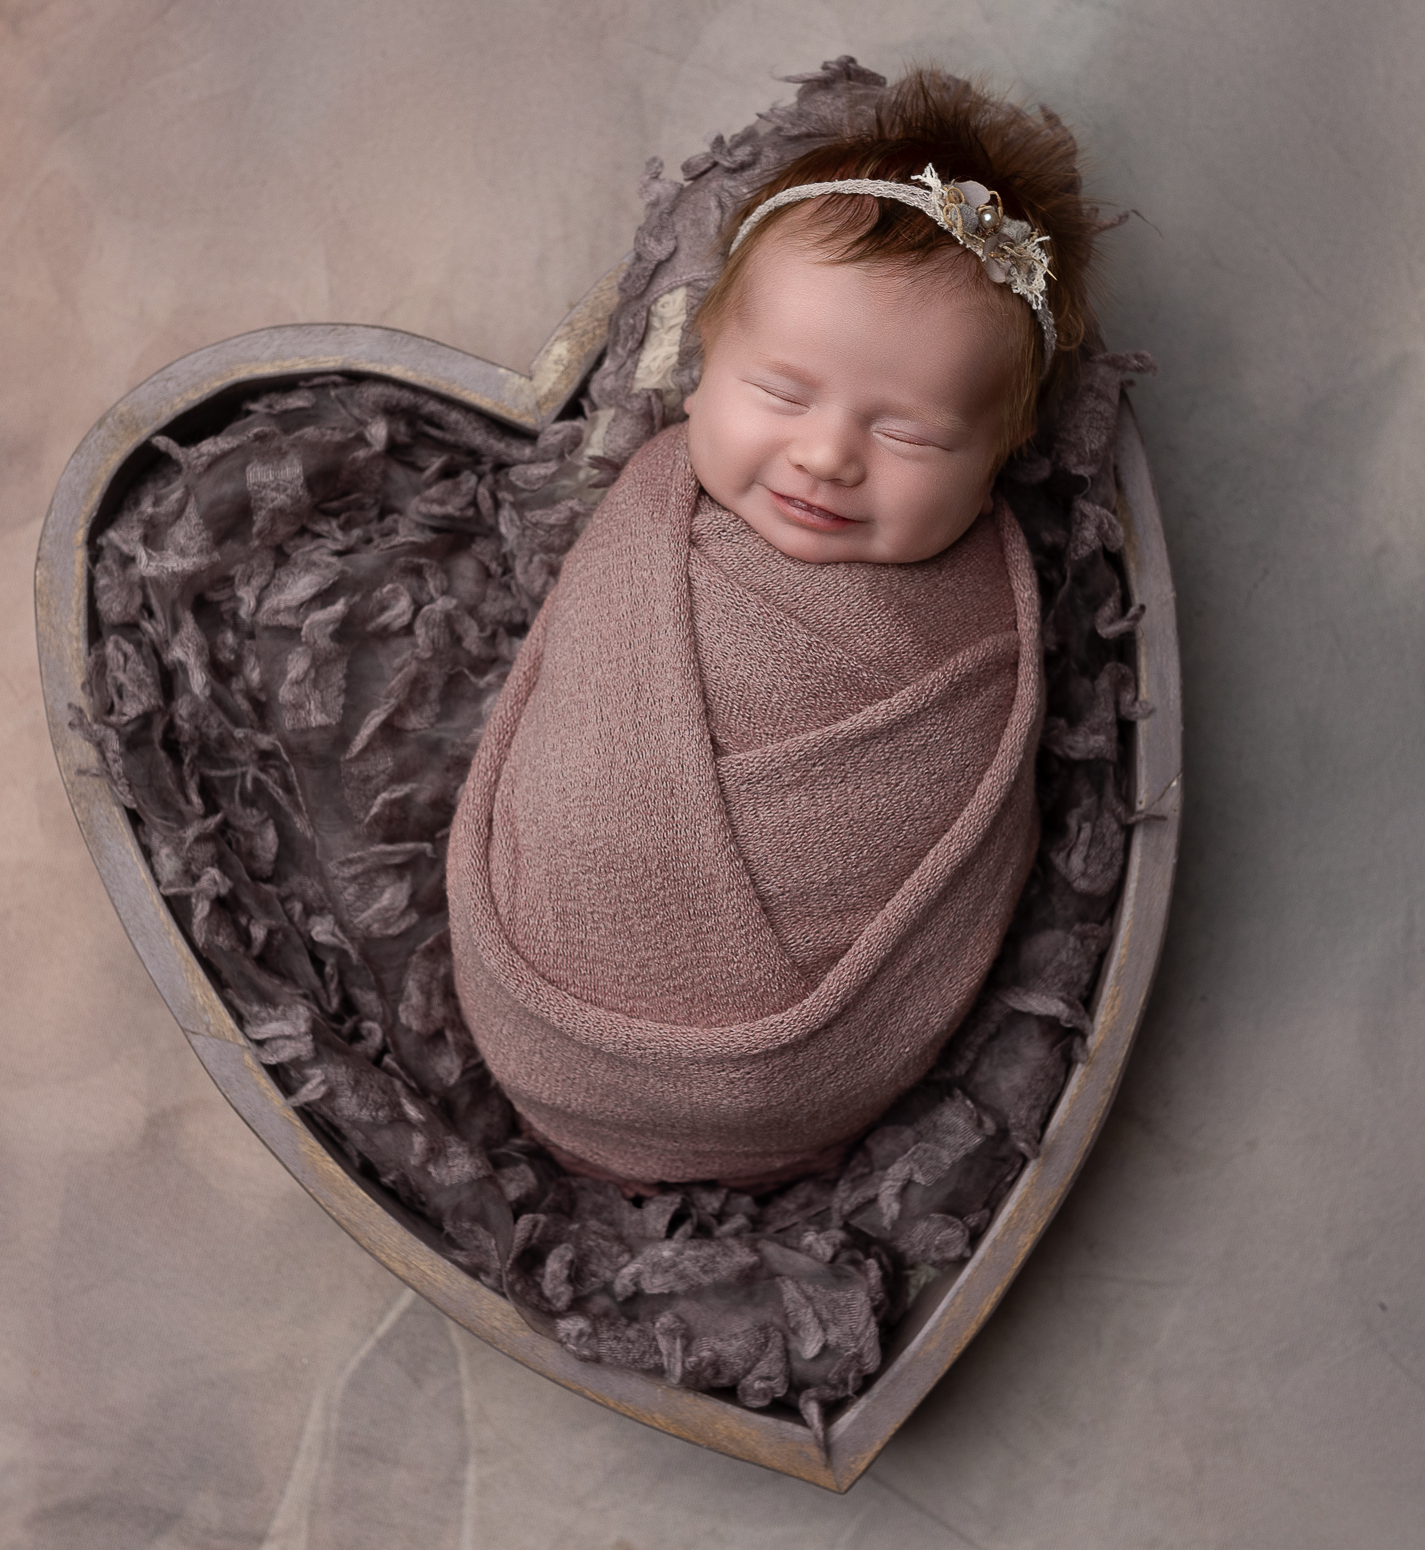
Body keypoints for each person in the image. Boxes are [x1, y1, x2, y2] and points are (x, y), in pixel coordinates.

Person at [445, 68, 1101, 1188]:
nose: (826, 455)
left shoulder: (978, 636)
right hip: (529, 1014)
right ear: (701, 362)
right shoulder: (648, 505)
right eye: (781, 393)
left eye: (909, 434)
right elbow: (560, 685)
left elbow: (978, 830)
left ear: (997, 460)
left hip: (797, 1075)